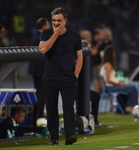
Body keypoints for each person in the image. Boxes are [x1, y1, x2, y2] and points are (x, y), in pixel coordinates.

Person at [39, 7, 83, 145]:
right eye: (53, 21)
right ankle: (54, 138)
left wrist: (75, 75)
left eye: (59, 20)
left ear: (65, 21)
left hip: (67, 78)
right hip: (50, 78)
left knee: (68, 108)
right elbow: (42, 49)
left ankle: (69, 135)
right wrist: (55, 34)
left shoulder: (74, 35)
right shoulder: (46, 33)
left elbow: (80, 57)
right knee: (51, 110)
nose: (56, 23)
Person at [100, 45, 138, 113]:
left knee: (130, 86)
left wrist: (120, 82)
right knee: (133, 88)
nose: (115, 55)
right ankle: (131, 107)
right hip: (110, 87)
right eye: (114, 53)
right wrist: (119, 83)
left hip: (111, 86)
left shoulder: (105, 65)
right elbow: (108, 80)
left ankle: (130, 106)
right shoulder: (108, 65)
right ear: (111, 54)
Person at [28, 18, 50, 126]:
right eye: (48, 25)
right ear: (44, 26)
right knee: (42, 94)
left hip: (37, 70)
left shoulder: (35, 36)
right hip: (40, 71)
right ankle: (39, 116)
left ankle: (38, 116)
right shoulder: (40, 37)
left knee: (40, 94)